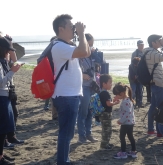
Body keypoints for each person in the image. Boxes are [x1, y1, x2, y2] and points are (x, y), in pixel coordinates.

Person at [51, 14, 90, 165]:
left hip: (70, 95)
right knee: (66, 132)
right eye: (71, 27)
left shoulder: (65, 45)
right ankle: (63, 161)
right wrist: (81, 33)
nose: (74, 30)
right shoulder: (59, 46)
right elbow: (84, 52)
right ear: (61, 29)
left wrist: (80, 35)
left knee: (67, 132)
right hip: (66, 96)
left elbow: (87, 51)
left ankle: (64, 159)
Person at [0, 37, 23, 165]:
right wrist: (12, 72)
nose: (9, 53)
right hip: (1, 97)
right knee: (2, 129)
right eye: (8, 51)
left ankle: (1, 155)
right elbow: (1, 82)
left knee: (4, 130)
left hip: (5, 96)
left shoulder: (3, 61)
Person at [143, 34, 163, 136]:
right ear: (153, 43)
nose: (160, 42)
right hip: (157, 83)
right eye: (158, 41)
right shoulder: (151, 53)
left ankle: (151, 129)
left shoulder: (149, 52)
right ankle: (159, 131)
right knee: (160, 108)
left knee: (154, 107)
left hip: (155, 83)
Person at [77, 33, 99, 143]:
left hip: (92, 86)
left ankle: (89, 134)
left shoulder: (92, 55)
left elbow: (100, 65)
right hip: (83, 86)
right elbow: (72, 69)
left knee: (90, 112)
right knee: (83, 112)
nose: (91, 46)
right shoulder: (79, 54)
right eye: (90, 44)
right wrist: (81, 75)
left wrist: (96, 55)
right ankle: (82, 136)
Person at [112, 83, 137, 159]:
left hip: (126, 123)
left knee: (122, 137)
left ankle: (123, 152)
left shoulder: (125, 102)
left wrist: (121, 121)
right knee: (130, 136)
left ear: (122, 93)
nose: (116, 97)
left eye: (117, 95)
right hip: (131, 122)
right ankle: (133, 151)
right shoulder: (128, 99)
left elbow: (127, 112)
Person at [99, 74, 120, 150]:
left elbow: (106, 102)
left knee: (105, 129)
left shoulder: (102, 92)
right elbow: (108, 104)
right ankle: (104, 145)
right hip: (105, 114)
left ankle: (106, 143)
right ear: (104, 84)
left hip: (102, 114)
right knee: (107, 130)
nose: (111, 84)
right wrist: (115, 103)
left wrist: (113, 101)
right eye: (110, 82)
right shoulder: (105, 93)